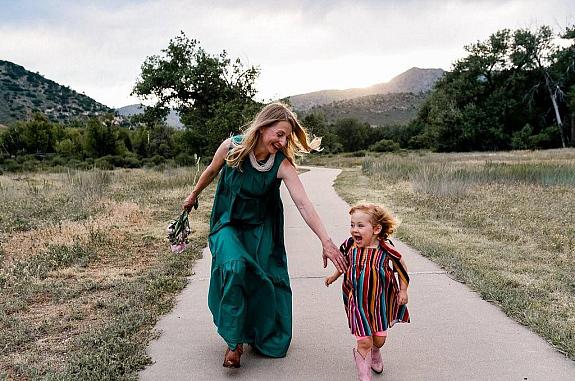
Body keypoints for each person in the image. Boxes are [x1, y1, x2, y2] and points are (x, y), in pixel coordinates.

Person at [182, 102, 346, 368]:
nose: (282, 141)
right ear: (262, 127)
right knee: (234, 268)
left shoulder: (281, 165)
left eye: (286, 137)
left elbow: (304, 204)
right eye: (278, 134)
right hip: (228, 222)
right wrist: (192, 195)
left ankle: (256, 332)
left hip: (261, 228)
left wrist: (326, 242)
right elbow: (211, 171)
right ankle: (234, 343)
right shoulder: (231, 148)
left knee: (265, 279)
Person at [325, 203, 410, 381]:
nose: (354, 230)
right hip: (356, 301)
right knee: (364, 341)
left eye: (360, 226)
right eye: (352, 225)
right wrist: (334, 276)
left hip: (378, 302)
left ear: (377, 229)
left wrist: (403, 290)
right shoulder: (349, 246)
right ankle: (364, 376)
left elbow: (401, 267)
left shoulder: (385, 250)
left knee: (378, 340)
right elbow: (343, 264)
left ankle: (376, 351)